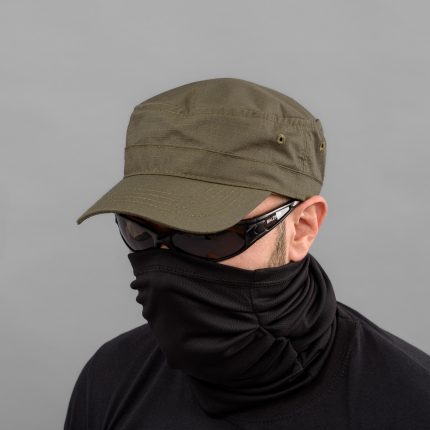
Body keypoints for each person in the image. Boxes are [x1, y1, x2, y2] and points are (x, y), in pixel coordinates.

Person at [64, 78, 430, 429]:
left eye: (207, 236)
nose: (165, 264)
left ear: (303, 228)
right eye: (140, 232)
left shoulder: (412, 404)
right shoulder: (110, 377)